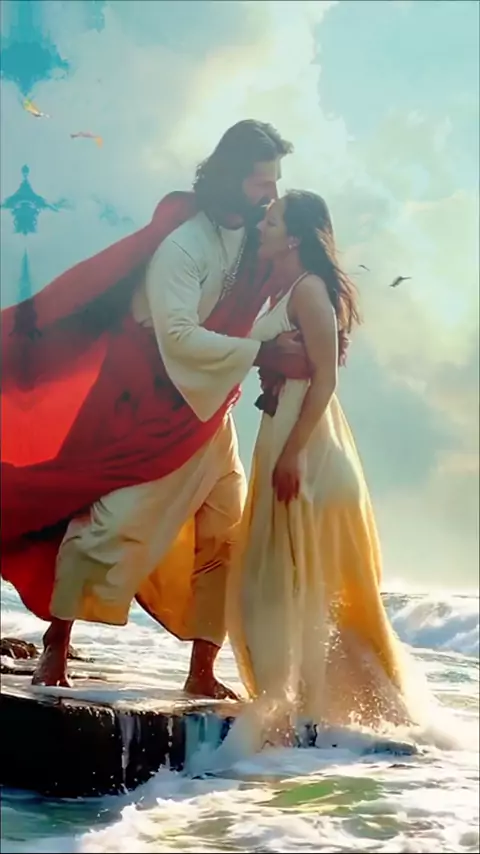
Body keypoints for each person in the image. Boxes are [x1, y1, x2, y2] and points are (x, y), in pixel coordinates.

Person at [0, 121, 312, 697]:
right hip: (146, 404)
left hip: (210, 407)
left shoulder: (257, 238)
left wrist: (316, 333)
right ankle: (57, 643)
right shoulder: (184, 245)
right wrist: (264, 352)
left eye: (275, 183)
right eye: (261, 183)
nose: (271, 195)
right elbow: (179, 337)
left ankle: (202, 670)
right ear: (230, 178)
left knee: (226, 529)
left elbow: (297, 280)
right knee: (110, 526)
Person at [227, 191, 414, 734]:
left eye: (272, 222)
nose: (262, 227)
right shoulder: (285, 288)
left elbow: (326, 379)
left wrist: (292, 454)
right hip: (284, 432)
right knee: (279, 582)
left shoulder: (308, 290)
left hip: (306, 446)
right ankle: (295, 709)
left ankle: (320, 716)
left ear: (294, 238)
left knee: (296, 584)